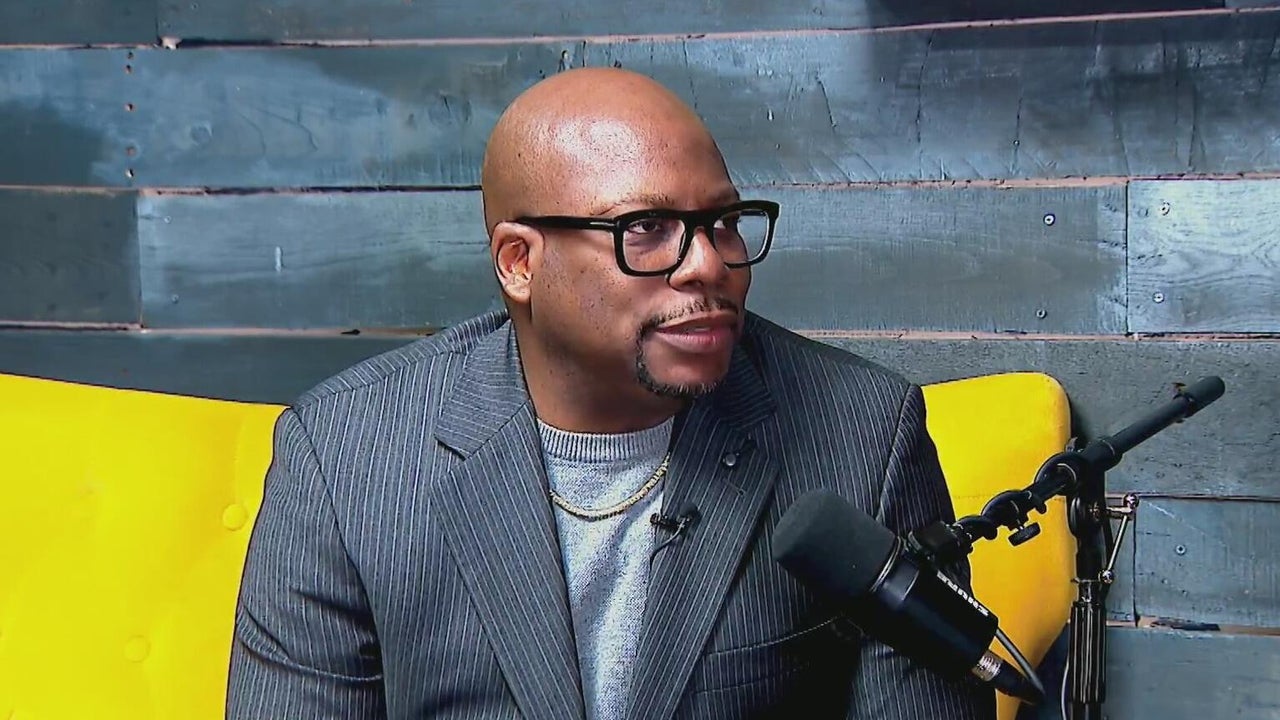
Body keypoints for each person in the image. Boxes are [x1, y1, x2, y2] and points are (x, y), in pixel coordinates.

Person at [226, 67, 995, 720]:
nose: (708, 265)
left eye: (722, 222)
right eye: (647, 228)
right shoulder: (344, 457)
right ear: (520, 262)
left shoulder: (865, 434)